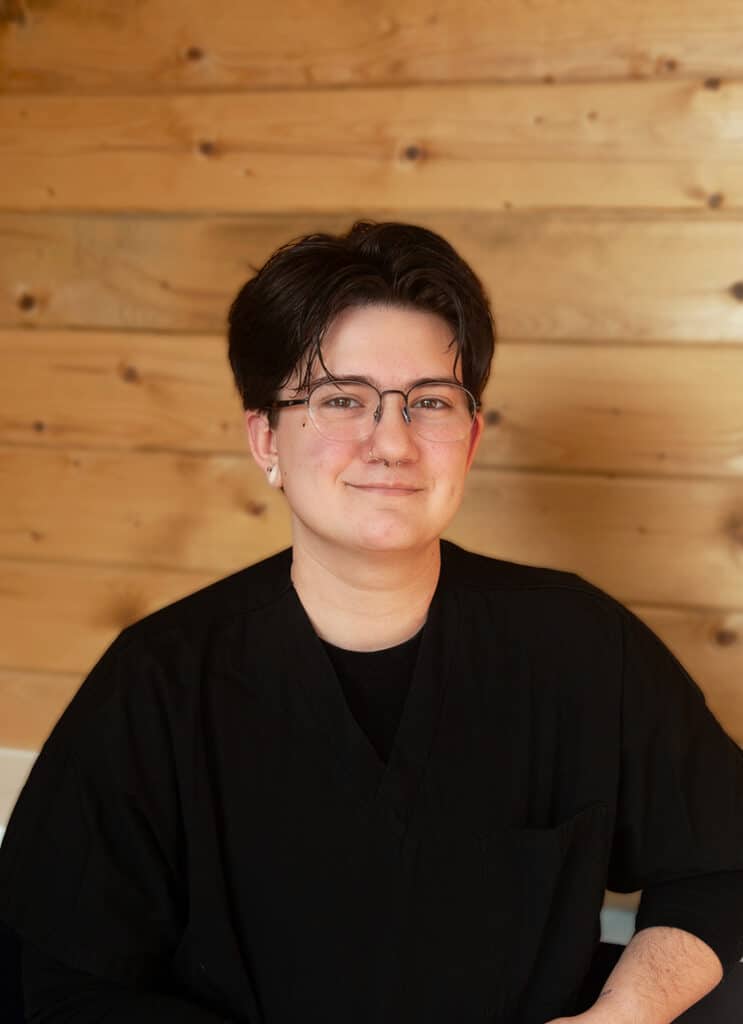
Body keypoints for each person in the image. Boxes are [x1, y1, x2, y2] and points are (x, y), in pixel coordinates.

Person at [1, 221, 742, 1024]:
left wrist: (623, 1016)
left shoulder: (581, 645)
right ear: (266, 440)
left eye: (429, 402)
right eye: (341, 400)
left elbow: (724, 862)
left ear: (470, 440)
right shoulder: (157, 681)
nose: (390, 442)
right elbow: (48, 975)